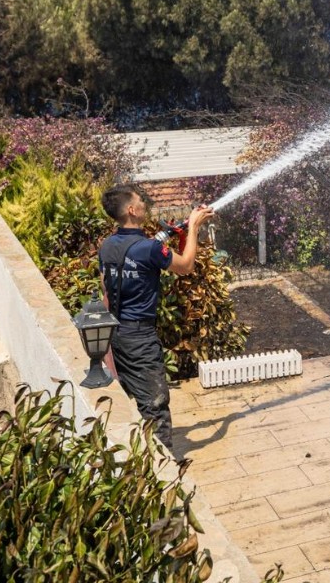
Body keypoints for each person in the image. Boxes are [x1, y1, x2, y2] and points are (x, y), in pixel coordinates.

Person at [99, 184, 213, 458]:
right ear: (131, 210)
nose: (146, 205)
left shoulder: (108, 246)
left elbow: (106, 288)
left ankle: (138, 459)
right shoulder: (148, 248)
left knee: (133, 400)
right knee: (155, 405)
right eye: (141, 201)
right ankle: (164, 474)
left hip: (117, 335)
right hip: (140, 339)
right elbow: (185, 266)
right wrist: (195, 227)